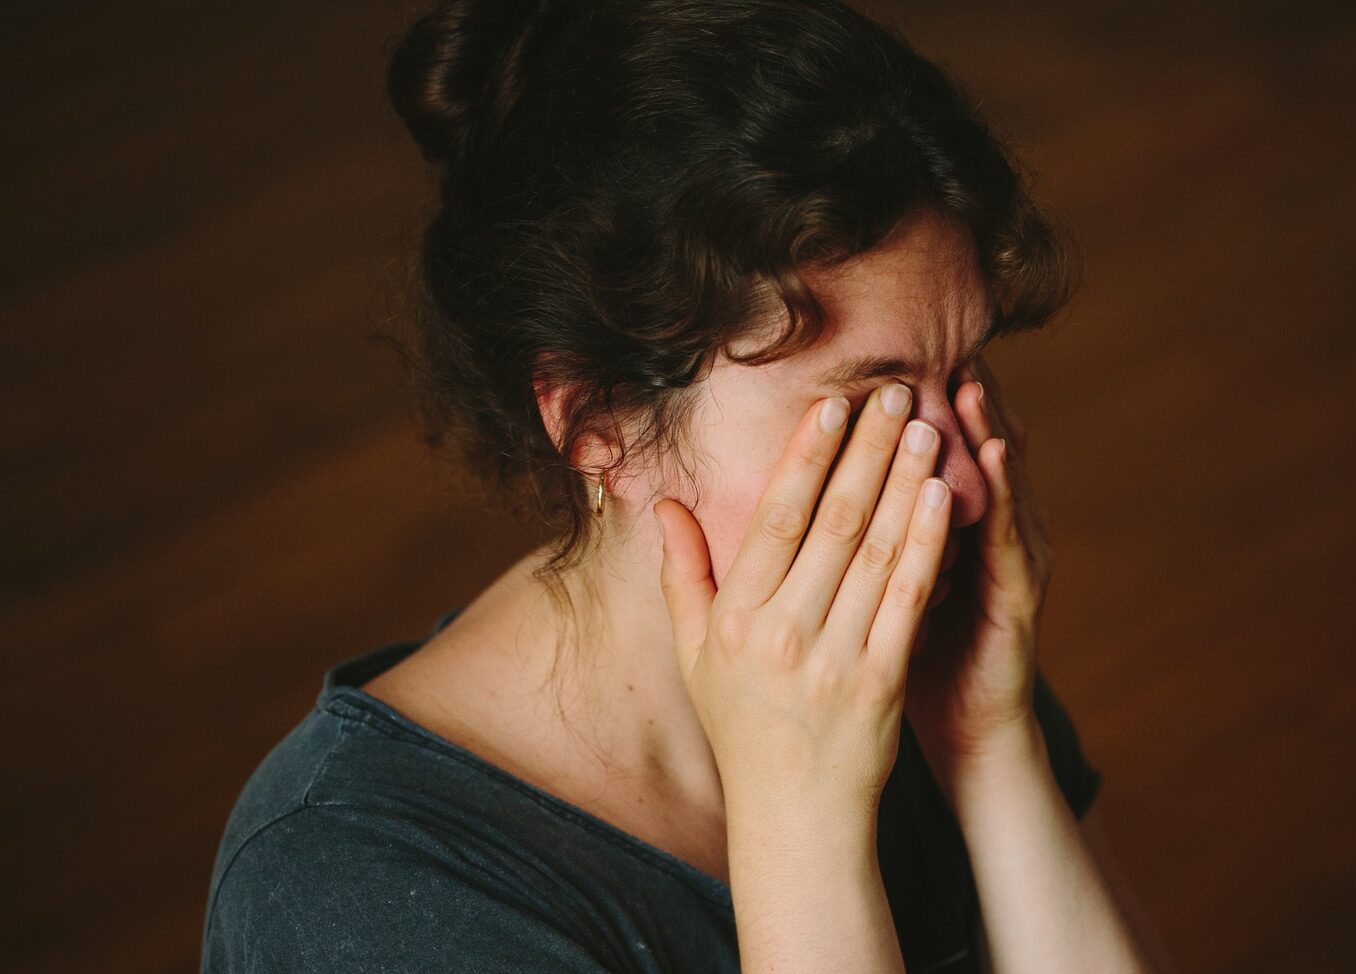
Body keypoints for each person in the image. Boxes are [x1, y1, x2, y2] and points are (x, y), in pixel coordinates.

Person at [201, 1, 1170, 971]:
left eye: (960, 376)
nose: (956, 485)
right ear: (599, 425)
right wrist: (800, 812)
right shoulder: (356, 887)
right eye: (868, 413)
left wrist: (987, 747)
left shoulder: (901, 638)